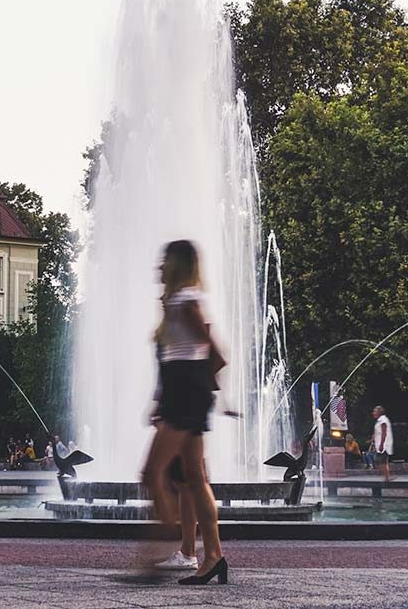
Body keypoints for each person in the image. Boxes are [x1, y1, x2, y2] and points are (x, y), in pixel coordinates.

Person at [141, 240, 228, 585]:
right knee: (193, 477)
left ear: (177, 264)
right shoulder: (175, 301)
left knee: (152, 474)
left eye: (165, 261)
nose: (159, 266)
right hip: (184, 392)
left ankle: (156, 552)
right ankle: (212, 556)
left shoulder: (186, 300)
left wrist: (200, 390)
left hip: (186, 394)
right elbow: (179, 355)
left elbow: (215, 353)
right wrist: (164, 396)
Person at [372, 405, 394, 483]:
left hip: (384, 444)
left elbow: (384, 433)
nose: (373, 413)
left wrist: (382, 444)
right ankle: (386, 477)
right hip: (380, 444)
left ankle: (387, 478)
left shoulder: (383, 420)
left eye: (375, 411)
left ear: (379, 412)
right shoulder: (380, 420)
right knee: (383, 461)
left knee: (382, 461)